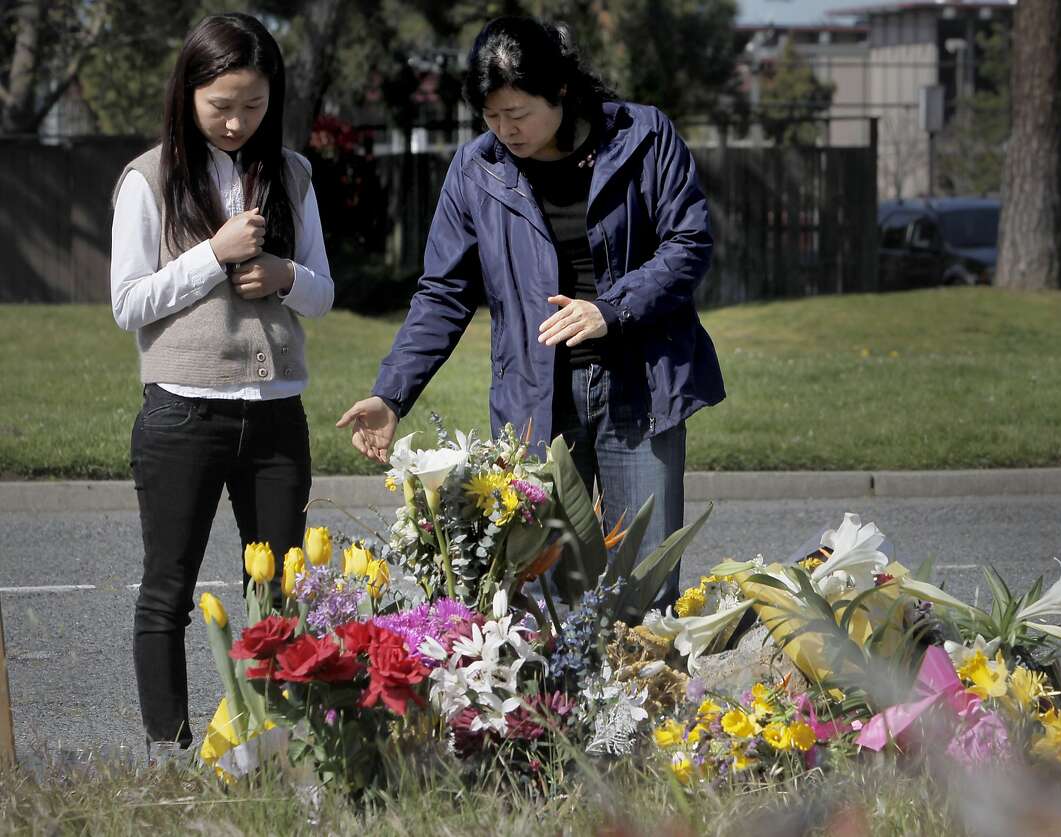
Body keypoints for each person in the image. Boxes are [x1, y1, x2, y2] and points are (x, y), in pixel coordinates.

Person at [337, 16, 723, 608]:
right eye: (491, 117)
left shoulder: (644, 136)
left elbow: (688, 242)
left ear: (560, 90)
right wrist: (391, 395)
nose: (505, 130)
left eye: (517, 114)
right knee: (542, 591)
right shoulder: (476, 170)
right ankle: (558, 705)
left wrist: (611, 310)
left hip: (640, 389)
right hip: (535, 400)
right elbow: (443, 292)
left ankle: (643, 696)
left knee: (642, 590)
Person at [109, 12, 334, 759]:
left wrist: (283, 276)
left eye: (254, 105)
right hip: (180, 413)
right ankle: (166, 753)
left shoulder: (293, 174)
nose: (237, 122)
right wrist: (214, 253)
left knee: (280, 595)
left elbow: (324, 293)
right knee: (166, 592)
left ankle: (276, 746)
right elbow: (128, 302)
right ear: (188, 93)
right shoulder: (149, 178)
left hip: (276, 417)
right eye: (221, 106)